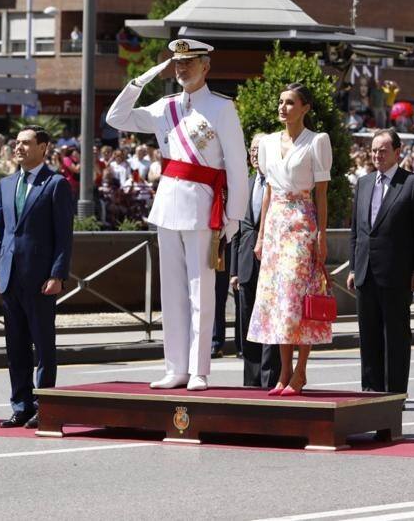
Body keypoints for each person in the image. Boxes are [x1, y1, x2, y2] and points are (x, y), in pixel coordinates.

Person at [106, 38, 248, 391]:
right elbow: (116, 118)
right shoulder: (164, 106)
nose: (182, 69)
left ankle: (199, 369)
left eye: (190, 63)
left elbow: (237, 165)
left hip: (202, 207)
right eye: (178, 64)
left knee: (201, 293)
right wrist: (142, 80)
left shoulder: (221, 108)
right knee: (171, 293)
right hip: (168, 205)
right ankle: (175, 368)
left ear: (206, 67)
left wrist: (233, 217)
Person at [248, 84, 333, 396]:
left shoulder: (317, 141)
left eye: (290, 103)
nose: (283, 108)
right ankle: (283, 373)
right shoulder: (269, 142)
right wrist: (260, 237)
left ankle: (300, 371)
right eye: (281, 102)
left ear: (305, 108)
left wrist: (321, 235)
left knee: (301, 296)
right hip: (275, 226)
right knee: (280, 298)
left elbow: (322, 195)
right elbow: (269, 191)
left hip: (302, 222)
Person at [0, 126, 75, 428]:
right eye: (17, 143)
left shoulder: (55, 184)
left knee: (43, 346)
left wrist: (57, 274)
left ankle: (44, 405)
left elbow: (64, 236)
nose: (19, 148)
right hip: (10, 277)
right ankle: (21, 405)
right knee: (16, 347)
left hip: (40, 279)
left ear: (43, 147)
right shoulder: (7, 184)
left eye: (26, 143)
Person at [347, 128, 414, 395]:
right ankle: (370, 392)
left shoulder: (412, 184)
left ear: (397, 152)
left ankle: (395, 393)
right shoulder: (363, 183)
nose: (377, 155)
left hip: (396, 272)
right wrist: (353, 266)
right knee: (369, 336)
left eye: (383, 150)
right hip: (365, 271)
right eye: (373, 150)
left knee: (394, 336)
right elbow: (356, 231)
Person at [230, 132, 281, 388]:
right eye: (251, 149)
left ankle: (269, 379)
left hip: (272, 265)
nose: (253, 154)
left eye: (258, 150)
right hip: (247, 266)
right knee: (248, 325)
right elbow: (239, 231)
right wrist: (234, 270)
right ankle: (250, 382)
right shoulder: (247, 184)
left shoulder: (278, 183)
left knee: (270, 324)